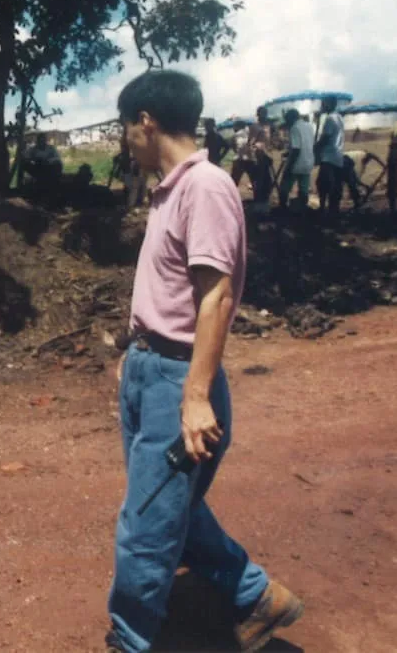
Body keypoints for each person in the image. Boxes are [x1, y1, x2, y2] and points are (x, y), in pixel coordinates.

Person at [105, 70, 303, 653]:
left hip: (177, 380)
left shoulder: (206, 187)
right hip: (150, 369)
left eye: (125, 127)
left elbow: (214, 296)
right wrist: (136, 350)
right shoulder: (170, 189)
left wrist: (194, 396)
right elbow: (169, 289)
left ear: (146, 122)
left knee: (146, 524)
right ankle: (257, 597)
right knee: (170, 508)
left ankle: (130, 641)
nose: (125, 141)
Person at [314, 96, 358, 215]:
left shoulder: (329, 119)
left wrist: (315, 147)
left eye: (323, 104)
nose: (321, 106)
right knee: (335, 186)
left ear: (328, 104)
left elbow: (325, 138)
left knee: (322, 184)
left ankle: (323, 210)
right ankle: (334, 211)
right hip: (337, 156)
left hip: (328, 157)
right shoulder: (339, 117)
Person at [230, 108, 274, 214]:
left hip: (243, 160)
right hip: (254, 159)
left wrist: (240, 152)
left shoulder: (239, 134)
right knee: (257, 182)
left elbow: (235, 146)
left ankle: (230, 201)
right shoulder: (255, 128)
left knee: (234, 182)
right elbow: (254, 145)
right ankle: (260, 204)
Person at [278, 108, 315, 210]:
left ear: (291, 118)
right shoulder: (309, 126)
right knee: (304, 189)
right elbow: (304, 144)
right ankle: (302, 209)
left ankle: (283, 209)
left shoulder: (295, 128)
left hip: (297, 163)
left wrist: (289, 167)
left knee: (284, 187)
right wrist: (288, 152)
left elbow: (296, 149)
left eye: (287, 120)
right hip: (308, 162)